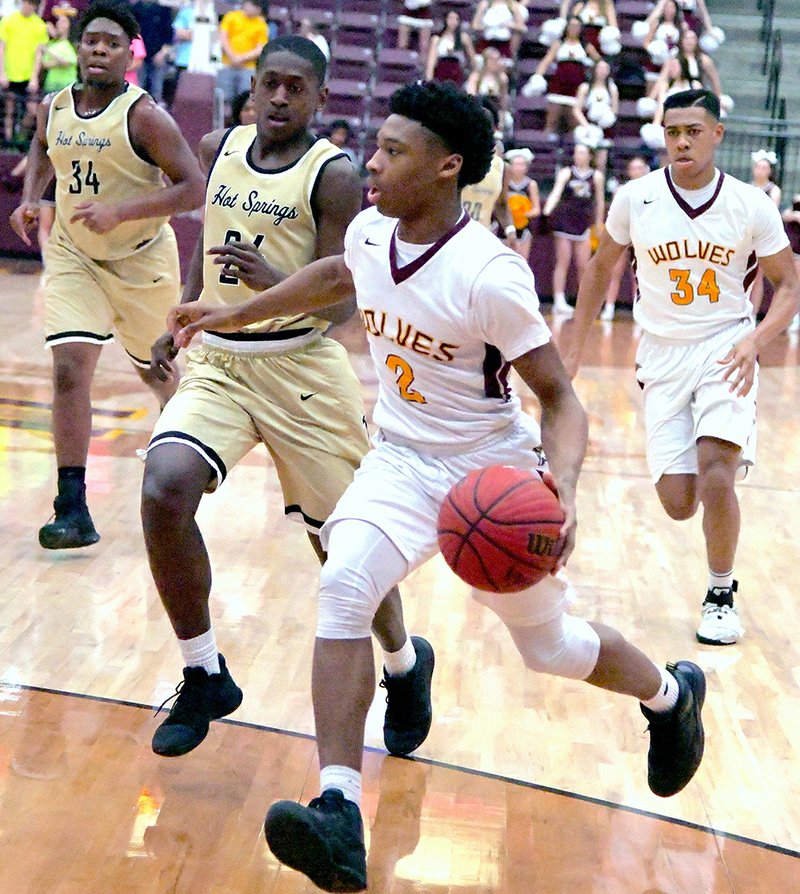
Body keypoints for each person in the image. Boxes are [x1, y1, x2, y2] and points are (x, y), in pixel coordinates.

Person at [169, 80, 707, 892]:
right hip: (400, 460)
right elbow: (332, 280)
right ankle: (339, 811)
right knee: (344, 582)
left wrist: (559, 488)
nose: (373, 163)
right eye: (376, 146)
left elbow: (561, 399)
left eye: (393, 151)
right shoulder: (368, 234)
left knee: (550, 649)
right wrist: (231, 314)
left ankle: (671, 698)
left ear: (448, 167)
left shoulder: (489, 275)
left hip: (490, 473)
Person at [141, 36, 419, 760]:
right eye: (271, 84)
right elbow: (208, 246)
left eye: (298, 88)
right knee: (164, 488)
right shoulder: (217, 145)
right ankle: (203, 672)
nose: (280, 98)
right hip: (222, 363)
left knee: (345, 551)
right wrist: (185, 309)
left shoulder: (335, 176)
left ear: (321, 99)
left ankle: (403, 663)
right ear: (253, 86)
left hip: (301, 367)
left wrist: (272, 287)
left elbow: (339, 303)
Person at [565, 89, 800, 645]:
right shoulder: (636, 197)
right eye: (673, 132)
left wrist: (758, 340)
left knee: (717, 470)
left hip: (726, 347)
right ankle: (714, 472)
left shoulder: (751, 205)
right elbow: (601, 270)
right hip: (661, 354)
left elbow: (788, 285)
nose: (682, 141)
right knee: (677, 503)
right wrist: (573, 346)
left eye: (694, 130)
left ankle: (721, 592)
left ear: (718, 134)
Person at [9, 0, 206, 549]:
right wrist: (31, 198)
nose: (99, 49)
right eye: (92, 39)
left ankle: (195, 448)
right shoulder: (54, 106)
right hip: (75, 252)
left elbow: (193, 187)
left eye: (112, 43)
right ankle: (71, 507)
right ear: (79, 47)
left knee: (156, 370)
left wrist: (122, 211)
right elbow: (44, 148)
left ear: (129, 55)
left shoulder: (145, 116)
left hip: (141, 258)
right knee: (70, 369)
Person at [542, 141, 604, 317]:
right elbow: (556, 192)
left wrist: (599, 223)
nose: (579, 156)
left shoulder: (596, 176)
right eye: (577, 153)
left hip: (583, 222)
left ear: (590, 156)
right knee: (563, 261)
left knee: (583, 265)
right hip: (564, 220)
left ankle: (583, 302)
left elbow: (599, 201)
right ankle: (559, 301)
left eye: (582, 153)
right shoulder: (566, 173)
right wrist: (548, 209)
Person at [601, 154, 650, 320]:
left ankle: (639, 310)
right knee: (615, 271)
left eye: (640, 167)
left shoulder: (652, 190)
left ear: (645, 170)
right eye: (633, 168)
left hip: (642, 236)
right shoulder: (622, 190)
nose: (637, 171)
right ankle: (609, 307)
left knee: (640, 275)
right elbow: (614, 213)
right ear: (629, 171)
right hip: (623, 235)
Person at [461, 95, 515, 245]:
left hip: (481, 237)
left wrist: (510, 230)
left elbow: (502, 204)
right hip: (450, 235)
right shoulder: (454, 160)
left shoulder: (502, 167)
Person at [0, 0, 49, 142]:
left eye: (33, 4)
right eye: (27, 3)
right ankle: (9, 142)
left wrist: (34, 77)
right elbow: (2, 48)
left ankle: (20, 137)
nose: (29, 7)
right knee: (9, 110)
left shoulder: (39, 25)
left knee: (32, 110)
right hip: (11, 72)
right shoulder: (9, 21)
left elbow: (39, 53)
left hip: (28, 74)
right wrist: (2, 73)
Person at [217, 0, 267, 120]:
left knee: (246, 99)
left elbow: (260, 48)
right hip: (227, 64)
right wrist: (232, 56)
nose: (253, 8)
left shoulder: (261, 24)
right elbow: (223, 37)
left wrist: (241, 58)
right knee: (224, 99)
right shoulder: (231, 17)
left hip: (247, 67)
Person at [748, 149, 781, 319]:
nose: (760, 171)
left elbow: (772, 213)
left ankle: (753, 315)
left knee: (758, 275)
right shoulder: (747, 188)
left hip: (762, 235)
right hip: (746, 234)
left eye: (764, 168)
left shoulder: (773, 190)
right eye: (758, 167)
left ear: (770, 171)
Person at [128, 0, 173, 105]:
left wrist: (162, 53)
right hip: (139, 56)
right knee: (139, 87)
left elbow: (169, 37)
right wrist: (138, 56)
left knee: (156, 89)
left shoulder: (164, 11)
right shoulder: (135, 9)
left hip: (158, 55)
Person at [505, 146, 539, 262]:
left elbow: (536, 209)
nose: (519, 168)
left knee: (521, 261)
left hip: (523, 229)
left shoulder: (531, 184)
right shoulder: (505, 182)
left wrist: (522, 214)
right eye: (516, 164)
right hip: (505, 227)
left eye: (522, 164)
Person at [424, 8, 475, 87]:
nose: (453, 21)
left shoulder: (463, 38)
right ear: (445, 20)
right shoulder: (437, 38)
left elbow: (472, 58)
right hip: (441, 69)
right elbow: (431, 61)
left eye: (456, 19)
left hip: (456, 70)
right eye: (450, 18)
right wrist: (429, 79)